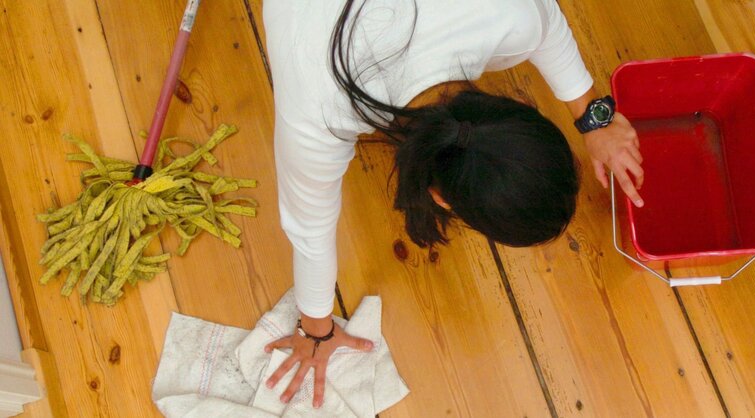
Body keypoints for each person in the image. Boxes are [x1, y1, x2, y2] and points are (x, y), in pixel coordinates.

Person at [260, 0, 644, 409]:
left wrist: (594, 119)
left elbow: (545, 23)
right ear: (441, 198)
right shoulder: (319, 106)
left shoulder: (510, 15)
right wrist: (315, 332)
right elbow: (309, 230)